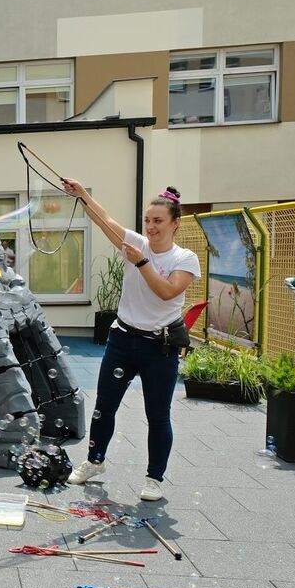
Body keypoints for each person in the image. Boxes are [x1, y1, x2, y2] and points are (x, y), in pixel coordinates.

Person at [60, 181, 201, 502]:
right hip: (122, 340)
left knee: (158, 415)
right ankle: (94, 462)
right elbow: (104, 220)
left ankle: (154, 478)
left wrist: (141, 262)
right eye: (147, 221)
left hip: (160, 348)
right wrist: (83, 194)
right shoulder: (137, 243)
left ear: (175, 223)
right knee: (103, 409)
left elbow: (167, 291)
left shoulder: (185, 258)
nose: (150, 227)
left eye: (158, 221)